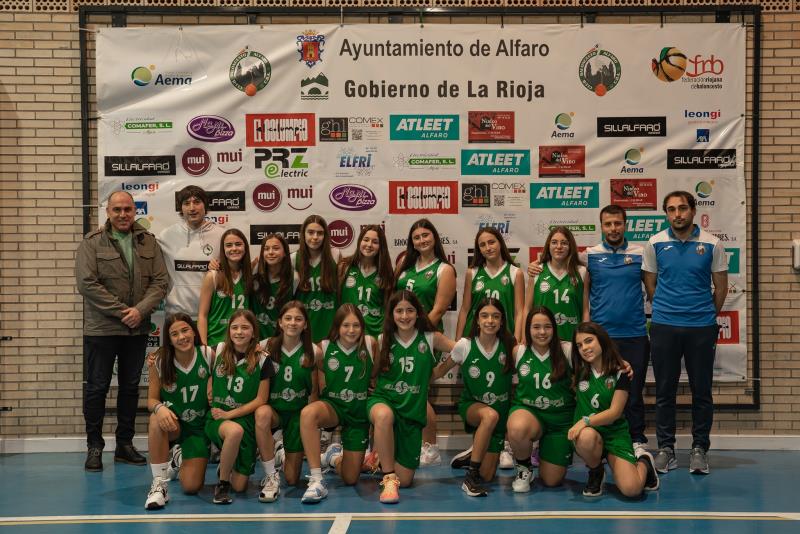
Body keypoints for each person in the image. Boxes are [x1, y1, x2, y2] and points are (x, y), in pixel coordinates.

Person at [76, 191, 169, 471]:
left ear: (134, 211)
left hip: (137, 329)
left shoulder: (148, 241)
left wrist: (139, 311)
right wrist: (123, 312)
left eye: (128, 209)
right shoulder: (92, 243)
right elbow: (87, 284)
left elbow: (160, 282)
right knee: (97, 388)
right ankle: (94, 447)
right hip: (102, 329)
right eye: (117, 209)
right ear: (108, 212)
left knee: (130, 388)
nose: (123, 214)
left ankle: (125, 446)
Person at [642, 191, 728, 475]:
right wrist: (669, 310)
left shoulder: (712, 244)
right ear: (666, 214)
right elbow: (651, 286)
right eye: (671, 209)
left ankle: (699, 448)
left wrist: (704, 314)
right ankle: (666, 449)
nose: (677, 214)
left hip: (701, 327)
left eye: (682, 208)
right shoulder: (655, 243)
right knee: (665, 391)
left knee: (701, 392)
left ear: (693, 210)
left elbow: (721, 288)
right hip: (665, 326)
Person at [367, 290, 456, 503]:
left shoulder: (430, 337)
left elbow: (462, 348)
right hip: (384, 401)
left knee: (405, 480)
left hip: (411, 414)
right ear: (391, 314)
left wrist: (440, 371)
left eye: (410, 310)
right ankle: (388, 479)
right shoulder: (381, 339)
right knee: (383, 416)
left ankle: (378, 460)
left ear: (418, 313)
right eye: (399, 311)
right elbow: (371, 373)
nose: (404, 316)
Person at [583, 205, 649, 453]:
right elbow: (557, 257)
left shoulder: (642, 254)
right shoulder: (589, 255)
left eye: (618, 223)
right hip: (602, 339)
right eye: (608, 224)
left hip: (635, 335)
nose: (613, 228)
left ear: (625, 224)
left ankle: (637, 438)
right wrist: (536, 263)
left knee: (633, 391)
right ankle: (597, 439)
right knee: (601, 391)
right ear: (601, 226)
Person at [569, 322, 659, 498]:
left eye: (589, 341)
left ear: (601, 340)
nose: (584, 348)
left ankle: (645, 463)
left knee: (631, 490)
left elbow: (614, 413)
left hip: (614, 433)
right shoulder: (577, 367)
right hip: (591, 434)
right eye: (579, 345)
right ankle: (596, 471)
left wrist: (584, 420)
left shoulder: (621, 371)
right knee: (585, 436)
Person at [435, 298, 515, 497]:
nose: (490, 320)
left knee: (488, 476)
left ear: (502, 321)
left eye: (496, 316)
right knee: (489, 416)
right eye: (485, 315)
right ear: (477, 320)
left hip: (500, 415)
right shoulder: (465, 345)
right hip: (473, 407)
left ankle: (473, 453)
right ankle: (470, 477)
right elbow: (439, 372)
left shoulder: (510, 346)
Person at [299, 304, 378, 503]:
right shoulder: (323, 347)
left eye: (356, 325)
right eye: (346, 325)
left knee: (351, 479)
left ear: (362, 327)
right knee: (308, 413)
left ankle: (333, 457)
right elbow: (317, 374)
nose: (351, 330)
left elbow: (376, 377)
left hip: (359, 412)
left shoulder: (370, 343)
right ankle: (317, 478)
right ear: (337, 327)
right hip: (333, 407)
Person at [394, 219, 457, 467]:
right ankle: (412, 443)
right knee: (406, 390)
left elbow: (440, 309)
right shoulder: (404, 265)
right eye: (417, 237)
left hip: (424, 337)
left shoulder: (444, 269)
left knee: (419, 392)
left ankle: (430, 447)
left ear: (435, 238)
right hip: (401, 336)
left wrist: (416, 332)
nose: (422, 240)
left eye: (426, 235)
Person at [205, 310, 274, 504]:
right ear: (228, 330)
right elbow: (189, 356)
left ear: (253, 332)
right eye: (234, 327)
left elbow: (261, 399)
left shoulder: (262, 359)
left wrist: (231, 413)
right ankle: (222, 484)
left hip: (244, 419)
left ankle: (228, 463)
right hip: (218, 417)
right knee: (234, 432)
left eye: (245, 327)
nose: (239, 332)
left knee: (241, 486)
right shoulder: (217, 350)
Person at [145, 313, 212, 510]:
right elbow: (151, 400)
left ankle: (177, 458)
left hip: (198, 429)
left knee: (191, 486)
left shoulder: (208, 355)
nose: (181, 337)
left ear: (193, 331)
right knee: (155, 419)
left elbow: (236, 352)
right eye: (174, 334)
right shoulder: (159, 360)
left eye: (185, 330)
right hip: (173, 424)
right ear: (169, 339)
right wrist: (159, 408)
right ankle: (159, 484)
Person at [505, 306, 575, 493]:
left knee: (552, 482)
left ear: (554, 328)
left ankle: (544, 450)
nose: (542, 332)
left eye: (547, 327)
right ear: (528, 329)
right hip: (530, 412)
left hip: (560, 421)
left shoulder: (568, 350)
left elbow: (597, 363)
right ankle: (523, 467)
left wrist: (620, 364)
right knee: (517, 427)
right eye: (536, 327)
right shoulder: (518, 351)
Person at [254, 301, 319, 503]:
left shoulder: (313, 351)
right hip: (273, 411)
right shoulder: (265, 346)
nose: (293, 323)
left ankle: (280, 452)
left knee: (291, 479)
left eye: (298, 319)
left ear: (305, 324)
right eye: (288, 318)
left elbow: (315, 391)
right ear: (280, 322)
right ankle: (270, 474)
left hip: (297, 415)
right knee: (261, 414)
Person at [157, 185, 225, 318]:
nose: (192, 208)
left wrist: (221, 269)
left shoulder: (222, 236)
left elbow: (235, 271)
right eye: (186, 203)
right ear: (181, 208)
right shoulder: (167, 235)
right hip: (177, 316)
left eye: (197, 202)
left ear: (205, 206)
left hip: (213, 316)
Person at [524, 226, 586, 343]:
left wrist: (584, 337)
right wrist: (525, 336)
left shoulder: (581, 272)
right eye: (554, 242)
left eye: (564, 243)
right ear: (548, 246)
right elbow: (527, 308)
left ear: (570, 247)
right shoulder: (537, 271)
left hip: (572, 338)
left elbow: (585, 310)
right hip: (542, 339)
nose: (559, 247)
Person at [198, 229, 252, 347]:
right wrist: (204, 347)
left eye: (238, 244)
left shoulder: (251, 275)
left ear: (245, 247)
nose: (234, 248)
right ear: (223, 250)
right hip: (216, 342)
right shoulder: (213, 276)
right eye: (228, 245)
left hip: (243, 344)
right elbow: (202, 315)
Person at [338, 225, 394, 337]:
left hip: (376, 332)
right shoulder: (344, 266)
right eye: (366, 240)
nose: (369, 245)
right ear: (359, 241)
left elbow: (388, 306)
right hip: (349, 331)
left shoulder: (386, 272)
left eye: (375, 242)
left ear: (381, 246)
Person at [294, 215, 338, 343]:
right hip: (303, 328)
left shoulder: (335, 255)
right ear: (303, 234)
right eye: (310, 232)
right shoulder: (293, 259)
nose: (315, 237)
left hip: (330, 327)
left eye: (320, 233)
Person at [251, 233, 297, 340]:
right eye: (266, 249)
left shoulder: (294, 279)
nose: (270, 252)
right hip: (256, 342)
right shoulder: (253, 276)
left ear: (285, 252)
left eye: (276, 248)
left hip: (282, 341)